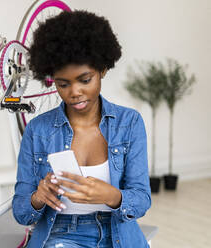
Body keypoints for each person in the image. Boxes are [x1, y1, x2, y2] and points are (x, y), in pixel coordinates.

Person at [12, 10, 151, 248]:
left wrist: (111, 196)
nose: (74, 92)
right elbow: (21, 212)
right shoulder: (38, 131)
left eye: (85, 80)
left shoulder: (129, 123)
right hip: (61, 234)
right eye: (63, 84)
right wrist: (38, 198)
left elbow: (141, 200)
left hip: (119, 233)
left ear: (103, 70)